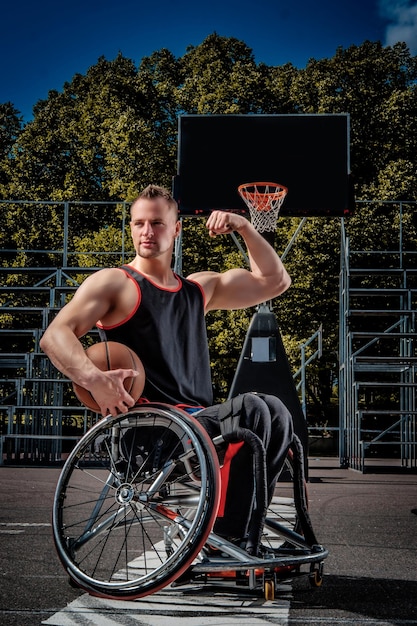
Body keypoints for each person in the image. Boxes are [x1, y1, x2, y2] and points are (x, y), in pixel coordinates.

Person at [40, 184, 294, 550]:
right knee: (254, 407)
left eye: (157, 223)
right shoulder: (116, 283)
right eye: (139, 223)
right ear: (130, 227)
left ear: (176, 229)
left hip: (198, 423)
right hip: (151, 430)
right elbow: (56, 335)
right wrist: (93, 378)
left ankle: (234, 531)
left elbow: (275, 282)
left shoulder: (197, 289)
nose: (147, 231)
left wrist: (244, 226)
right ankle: (230, 537)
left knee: (276, 410)